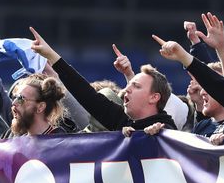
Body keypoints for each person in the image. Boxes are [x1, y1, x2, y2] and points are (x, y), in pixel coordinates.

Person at [29, 27, 176, 133]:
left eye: (136, 86)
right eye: (129, 84)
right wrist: (51, 55)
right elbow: (87, 95)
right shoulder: (121, 120)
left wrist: (160, 135)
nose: (127, 89)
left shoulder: (168, 131)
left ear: (154, 97)